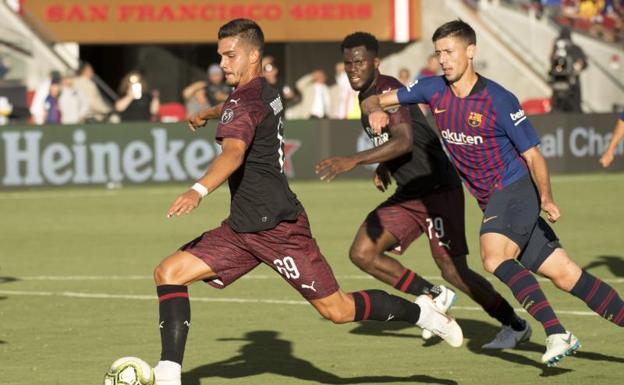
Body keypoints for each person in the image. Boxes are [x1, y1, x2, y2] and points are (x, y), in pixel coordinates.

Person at [152, 18, 462, 385]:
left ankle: (424, 315)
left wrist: (197, 190)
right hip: (241, 229)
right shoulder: (262, 90)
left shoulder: (247, 100)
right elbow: (235, 107)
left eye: (230, 55)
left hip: (280, 229)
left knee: (339, 310)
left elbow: (232, 154)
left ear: (253, 56)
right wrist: (208, 112)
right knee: (168, 273)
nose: (222, 63)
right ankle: (169, 373)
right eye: (220, 56)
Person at [362, 19, 624, 367]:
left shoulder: (499, 99)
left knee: (492, 255)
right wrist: (376, 109)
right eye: (438, 52)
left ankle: (557, 332)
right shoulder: (431, 89)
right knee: (565, 274)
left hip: (515, 190)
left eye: (450, 52)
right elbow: (372, 100)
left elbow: (533, 155)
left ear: (471, 52)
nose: (443, 59)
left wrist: (546, 197)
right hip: (493, 200)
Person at [316, 31, 529, 348]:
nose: (353, 69)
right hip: (410, 192)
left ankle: (515, 324)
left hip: (437, 189)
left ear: (376, 62)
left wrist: (353, 160)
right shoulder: (365, 97)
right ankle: (432, 295)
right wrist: (384, 167)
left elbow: (404, 140)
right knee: (362, 252)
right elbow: (401, 142)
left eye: (359, 62)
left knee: (454, 271)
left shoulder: (387, 88)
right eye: (348, 64)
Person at [549, 27, 587, 113]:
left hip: (572, 84)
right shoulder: (556, 48)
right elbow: (552, 61)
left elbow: (583, 63)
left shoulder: (575, 49)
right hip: (558, 82)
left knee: (574, 108)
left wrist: (578, 65)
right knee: (557, 108)